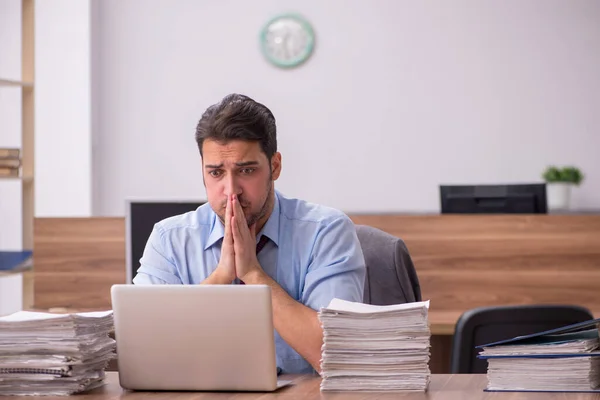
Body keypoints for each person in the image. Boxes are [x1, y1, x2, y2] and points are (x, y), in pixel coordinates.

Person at [133, 93, 366, 374]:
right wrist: (221, 277)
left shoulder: (326, 231)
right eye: (216, 173)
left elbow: (337, 357)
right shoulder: (168, 240)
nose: (231, 190)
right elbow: (143, 352)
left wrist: (254, 275)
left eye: (246, 170)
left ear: (275, 166)